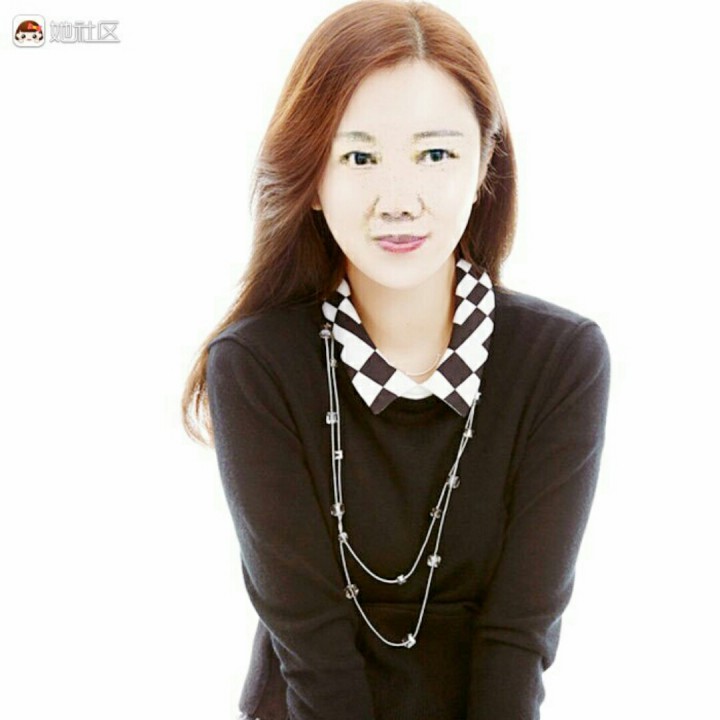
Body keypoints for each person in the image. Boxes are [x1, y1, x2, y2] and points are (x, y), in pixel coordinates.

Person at [181, 1, 612, 718]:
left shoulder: (560, 360)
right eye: (359, 157)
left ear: (485, 165)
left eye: (435, 154)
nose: (399, 201)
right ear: (312, 178)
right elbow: (313, 652)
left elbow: (518, 637)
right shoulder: (255, 366)